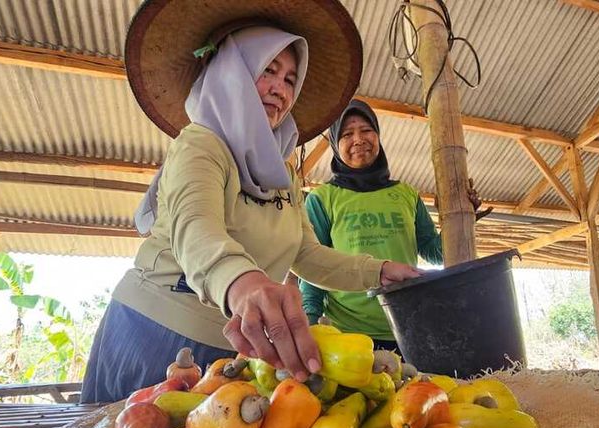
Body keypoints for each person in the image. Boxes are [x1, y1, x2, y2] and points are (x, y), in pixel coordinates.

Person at [81, 1, 419, 403]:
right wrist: (246, 282)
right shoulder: (201, 144)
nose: (281, 88)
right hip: (152, 338)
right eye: (268, 71)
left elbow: (307, 254)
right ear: (231, 73)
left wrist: (379, 272)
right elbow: (196, 231)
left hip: (236, 350)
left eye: (291, 79)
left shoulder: (285, 173)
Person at [300, 99, 488, 354]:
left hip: (410, 326)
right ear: (335, 144)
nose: (358, 139)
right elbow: (312, 265)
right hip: (350, 334)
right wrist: (309, 324)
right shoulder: (322, 199)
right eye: (347, 134)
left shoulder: (406, 194)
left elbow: (435, 253)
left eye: (366, 130)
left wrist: (464, 221)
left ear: (378, 135)